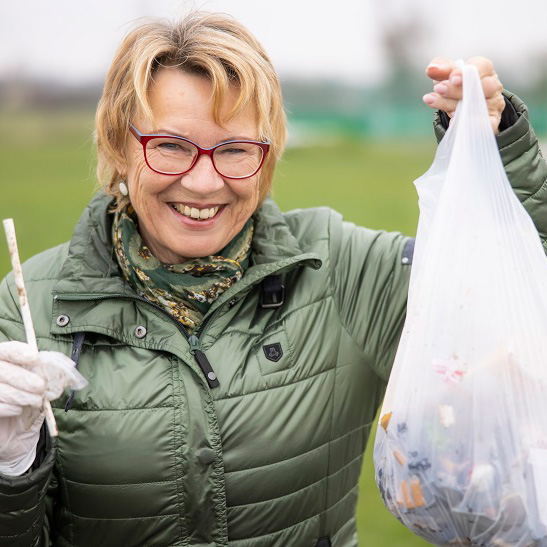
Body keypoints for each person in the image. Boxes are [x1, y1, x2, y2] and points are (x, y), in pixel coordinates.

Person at [0, 11, 545, 547]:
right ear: (120, 144)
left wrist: (497, 151)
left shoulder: (339, 270)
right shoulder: (32, 308)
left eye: (235, 149)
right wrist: (10, 468)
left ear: (269, 155)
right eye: (170, 146)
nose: (204, 180)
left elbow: (520, 287)